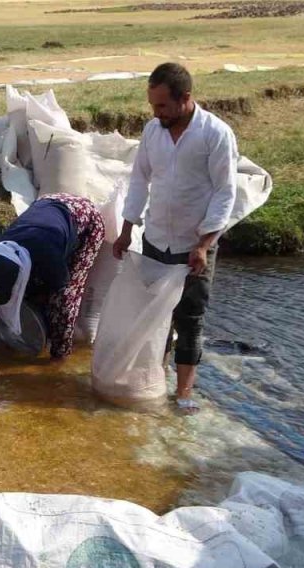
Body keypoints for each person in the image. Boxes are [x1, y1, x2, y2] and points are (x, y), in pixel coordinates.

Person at [113, 62, 239, 414]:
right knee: (155, 316)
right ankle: (155, 380)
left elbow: (225, 192)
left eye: (163, 106)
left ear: (185, 98)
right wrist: (126, 230)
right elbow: (140, 180)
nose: (156, 113)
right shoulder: (153, 131)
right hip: (156, 240)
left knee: (190, 319)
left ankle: (183, 395)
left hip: (193, 246)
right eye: (152, 105)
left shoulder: (215, 134)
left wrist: (204, 245)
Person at [0, 194, 105, 360]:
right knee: (34, 290)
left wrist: (57, 358)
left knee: (65, 297)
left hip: (84, 216)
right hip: (46, 206)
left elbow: (62, 287)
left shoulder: (47, 255)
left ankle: (61, 354)